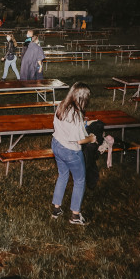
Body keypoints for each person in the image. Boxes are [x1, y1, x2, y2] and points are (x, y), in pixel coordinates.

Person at [50, 82, 96, 226]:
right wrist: (91, 138)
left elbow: (66, 127)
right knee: (79, 180)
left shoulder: (62, 105)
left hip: (56, 144)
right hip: (70, 151)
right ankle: (75, 216)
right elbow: (80, 140)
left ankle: (56, 209)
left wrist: (83, 124)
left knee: (63, 175)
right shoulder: (76, 115)